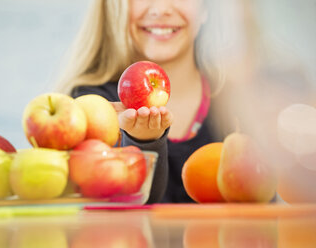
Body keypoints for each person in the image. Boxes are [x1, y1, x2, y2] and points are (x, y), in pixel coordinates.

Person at [56, 0, 229, 203]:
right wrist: (143, 142)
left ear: (207, 7)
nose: (161, 10)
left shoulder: (242, 104)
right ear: (114, 9)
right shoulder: (90, 109)